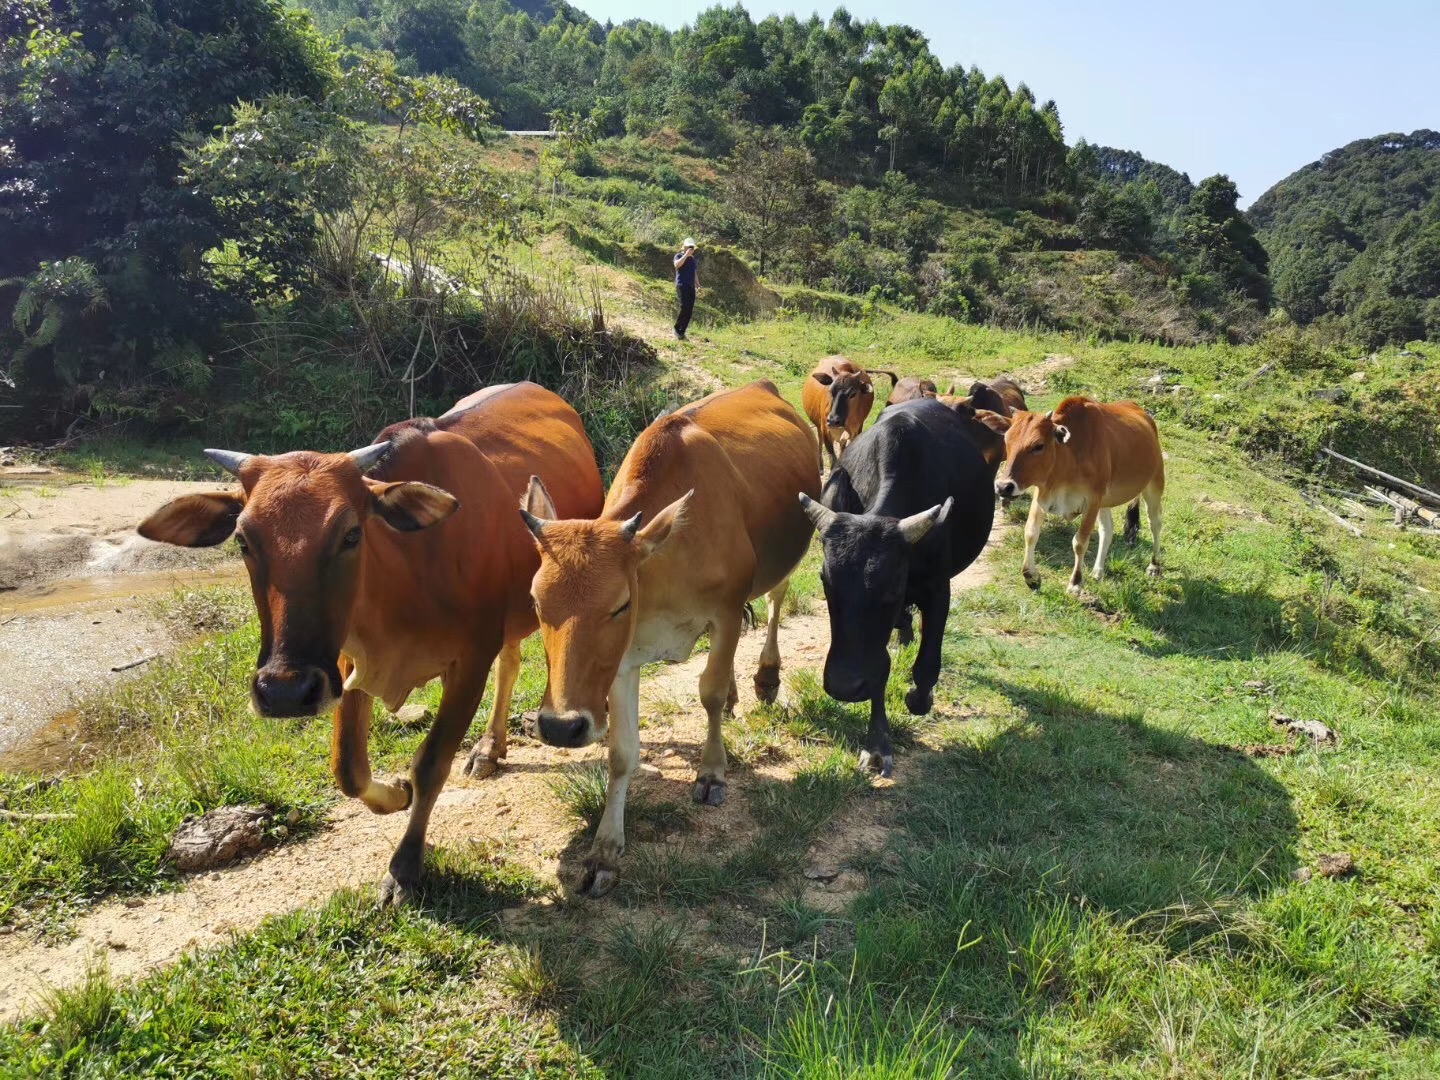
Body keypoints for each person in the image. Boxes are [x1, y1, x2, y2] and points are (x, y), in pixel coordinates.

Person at [673, 238, 699, 340]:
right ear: (684, 247)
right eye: (688, 247)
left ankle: (682, 331)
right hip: (682, 285)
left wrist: (698, 284)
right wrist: (686, 255)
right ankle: (676, 328)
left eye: (692, 247)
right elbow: (677, 265)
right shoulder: (679, 256)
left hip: (691, 287)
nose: (690, 249)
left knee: (689, 310)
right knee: (684, 307)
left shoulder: (693, 260)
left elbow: (695, 273)